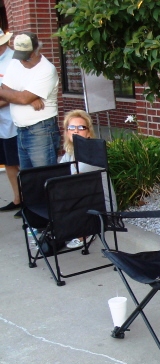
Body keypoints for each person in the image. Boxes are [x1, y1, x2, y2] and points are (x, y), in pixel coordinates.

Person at [0, 32, 60, 169]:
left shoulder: (47, 69)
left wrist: (24, 97)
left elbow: (21, 97)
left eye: (26, 57)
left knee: (45, 177)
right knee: (29, 180)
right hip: (20, 129)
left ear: (35, 51)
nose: (22, 61)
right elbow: (6, 89)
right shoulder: (15, 62)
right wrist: (27, 97)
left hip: (41, 130)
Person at [59, 109, 117, 248]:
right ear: (67, 132)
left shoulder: (91, 156)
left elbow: (70, 184)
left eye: (81, 127)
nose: (76, 131)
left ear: (88, 132)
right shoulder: (70, 152)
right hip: (83, 201)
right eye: (71, 127)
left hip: (101, 207)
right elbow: (59, 175)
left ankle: (84, 232)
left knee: (64, 193)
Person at [0, 28, 20, 215]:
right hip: (1, 125)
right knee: (7, 162)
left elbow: (20, 93)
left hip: (15, 121)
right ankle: (17, 199)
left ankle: (31, 202)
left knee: (20, 162)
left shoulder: (14, 60)